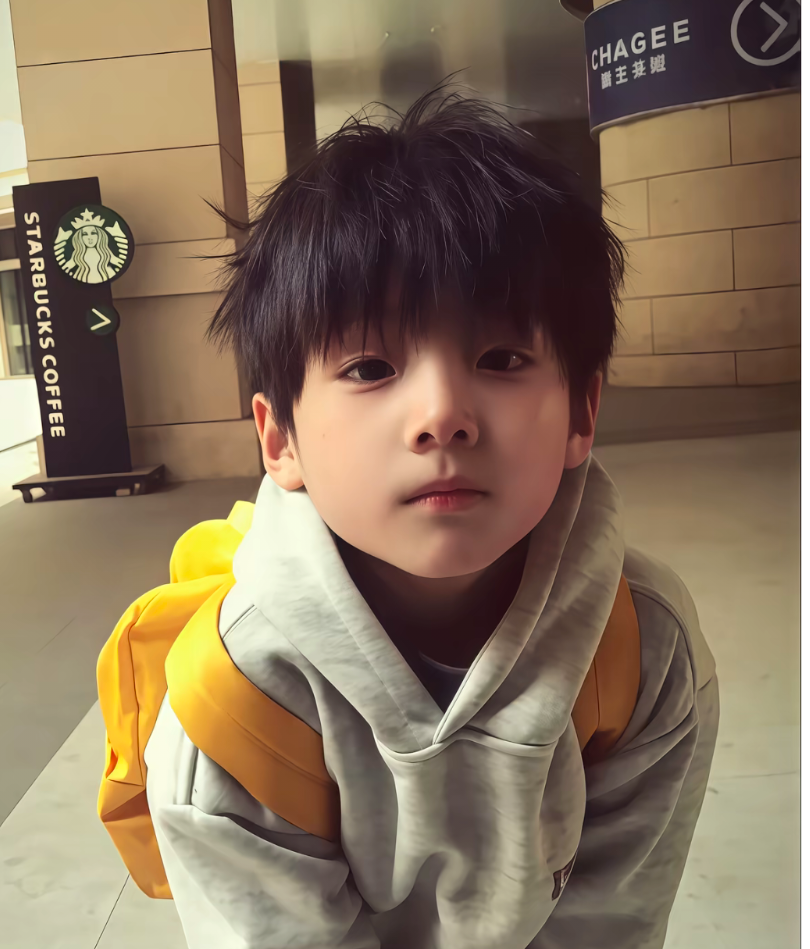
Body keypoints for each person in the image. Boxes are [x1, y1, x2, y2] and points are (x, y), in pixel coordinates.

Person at [142, 86, 719, 948]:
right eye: (371, 368)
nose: (442, 415)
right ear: (279, 438)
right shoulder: (235, 701)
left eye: (502, 357)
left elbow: (614, 926)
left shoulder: (641, 652)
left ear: (582, 412)